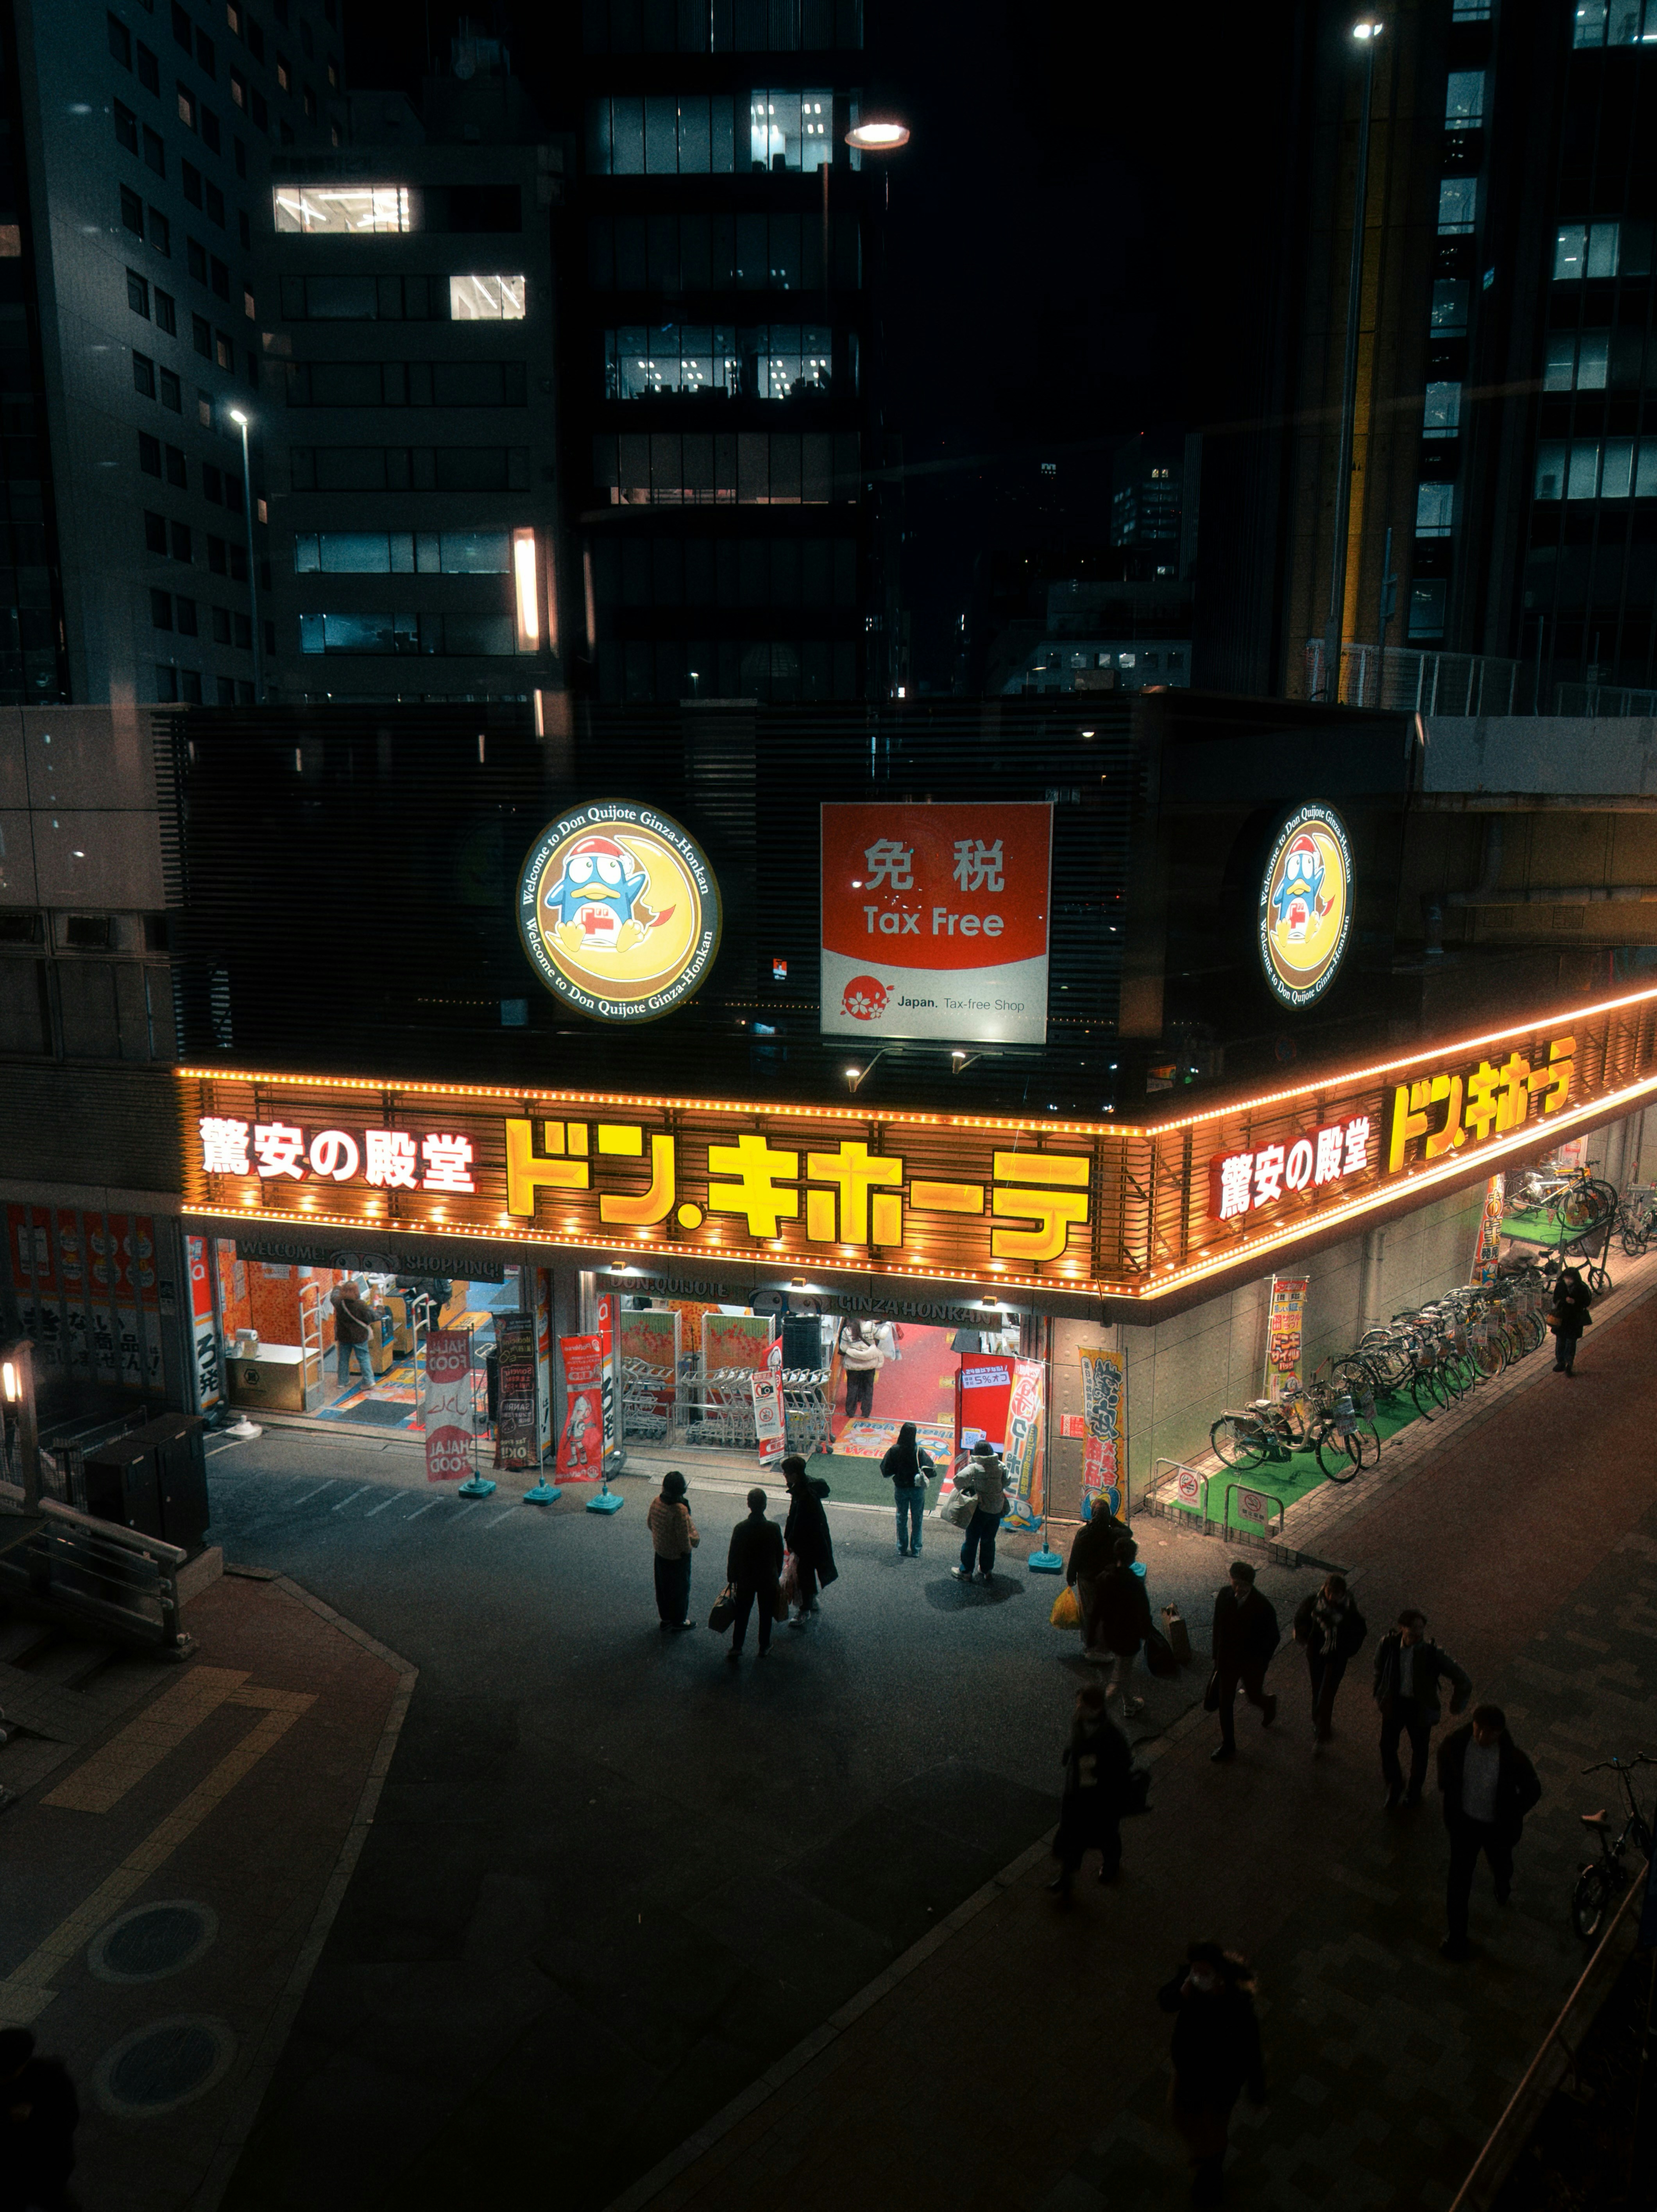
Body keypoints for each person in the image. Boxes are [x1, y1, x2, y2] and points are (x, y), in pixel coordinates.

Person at [1157, 1944, 1266, 2207]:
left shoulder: (1238, 2007)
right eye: (1194, 1971)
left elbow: (1252, 2050)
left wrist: (1256, 2087)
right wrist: (1181, 1994)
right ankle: (1203, 2153)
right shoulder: (1190, 1984)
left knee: (1214, 2127)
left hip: (1220, 2082)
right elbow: (1165, 2000)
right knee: (1179, 2115)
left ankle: (1210, 2174)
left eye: (1203, 1972)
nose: (1196, 1976)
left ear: (1218, 1976)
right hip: (1188, 2071)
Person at [1437, 1702, 1542, 1959]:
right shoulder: (1455, 1746)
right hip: (1465, 1826)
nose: (1482, 1738)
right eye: (1478, 1730)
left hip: (1495, 1827)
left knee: (1500, 1861)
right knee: (1458, 1883)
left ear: (1499, 1733)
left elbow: (1532, 1789)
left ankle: (1502, 1881)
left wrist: (1512, 1813)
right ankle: (1457, 1936)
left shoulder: (1511, 1758)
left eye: (1489, 1733)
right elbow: (1447, 1779)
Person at [1373, 1608, 1473, 1809]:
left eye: (1421, 1629)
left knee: (1420, 1750)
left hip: (1420, 1708)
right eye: (1413, 1628)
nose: (1418, 1633)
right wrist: (1380, 1693)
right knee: (1387, 1746)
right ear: (1402, 1627)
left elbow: (1462, 1678)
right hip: (1396, 1705)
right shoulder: (1388, 1645)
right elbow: (1379, 1669)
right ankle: (1396, 1784)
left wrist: (1456, 1704)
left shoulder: (1431, 1653)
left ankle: (1414, 1792)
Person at [1047, 1684, 1133, 1900]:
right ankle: (1066, 1878)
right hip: (1078, 1795)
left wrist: (1097, 1771)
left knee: (1106, 1836)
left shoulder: (1112, 1738)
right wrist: (1070, 1753)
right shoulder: (1082, 1722)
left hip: (1100, 1800)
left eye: (1082, 1707)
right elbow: (1075, 1742)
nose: (1077, 1711)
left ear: (1096, 1709)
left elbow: (1122, 1767)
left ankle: (1111, 1865)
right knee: (1072, 1837)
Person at [0, 2026, 79, 2212]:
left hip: (44, 2167)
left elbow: (65, 2121)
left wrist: (30, 2118)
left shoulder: (50, 2079)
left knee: (55, 2200)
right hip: (11, 2171)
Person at [1209, 1562, 1279, 1762]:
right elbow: (1218, 1627)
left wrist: (1259, 1663)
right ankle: (1228, 1745)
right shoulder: (1224, 1596)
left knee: (1254, 1695)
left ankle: (1268, 1703)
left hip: (1251, 1664)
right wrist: (1217, 1655)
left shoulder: (1263, 1607)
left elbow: (1273, 1639)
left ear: (1251, 1585)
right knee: (1225, 1703)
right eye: (1235, 1583)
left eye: (1243, 1586)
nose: (1238, 1589)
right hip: (1228, 1661)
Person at [1292, 1573, 1368, 1753]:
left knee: (1327, 1694)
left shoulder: (1350, 1611)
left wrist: (1347, 1651)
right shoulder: (1313, 1603)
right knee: (1317, 1689)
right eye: (1330, 1592)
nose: (1332, 1598)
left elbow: (1359, 1633)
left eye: (1337, 1594)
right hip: (1317, 1655)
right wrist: (1306, 1640)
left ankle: (1321, 1733)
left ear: (1344, 1594)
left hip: (1336, 1658)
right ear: (1325, 1589)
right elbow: (1300, 1621)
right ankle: (1318, 1722)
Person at [1066, 1496, 1133, 1658]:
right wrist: (1112, 1520)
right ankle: (1104, 1646)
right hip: (1105, 1579)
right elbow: (1129, 1533)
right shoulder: (1114, 1534)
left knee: (1089, 1613)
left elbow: (1075, 1556)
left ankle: (1090, 1646)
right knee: (1104, 1612)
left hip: (1086, 1579)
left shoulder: (1084, 1533)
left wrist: (1071, 1575)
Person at [725, 1486, 784, 1663]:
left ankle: (737, 1647)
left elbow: (733, 1555)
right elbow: (779, 1555)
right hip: (767, 1578)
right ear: (765, 1505)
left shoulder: (741, 1528)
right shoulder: (773, 1528)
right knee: (766, 1613)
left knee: (742, 1613)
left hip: (746, 1578)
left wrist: (732, 1578)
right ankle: (764, 1646)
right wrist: (777, 1574)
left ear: (748, 1505)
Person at [1096, 1538, 1153, 1716]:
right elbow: (1143, 1611)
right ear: (1133, 1557)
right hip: (1127, 1635)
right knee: (1119, 1679)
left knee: (1124, 1671)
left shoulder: (1104, 1577)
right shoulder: (1135, 1584)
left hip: (1109, 1631)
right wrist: (1146, 1632)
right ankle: (1097, 1717)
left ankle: (1129, 1703)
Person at [782, 1453, 837, 1627]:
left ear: (795, 1475)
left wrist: (791, 1541)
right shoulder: (806, 1488)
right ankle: (811, 1601)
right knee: (807, 1573)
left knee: (804, 1574)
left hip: (807, 1543)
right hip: (815, 1541)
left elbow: (798, 1521)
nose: (785, 1476)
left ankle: (805, 1610)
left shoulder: (804, 1495)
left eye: (787, 1473)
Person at [646, 1470, 698, 1632]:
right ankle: (679, 1621)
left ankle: (666, 1619)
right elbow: (684, 1539)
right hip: (677, 1558)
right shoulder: (680, 1509)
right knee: (680, 1590)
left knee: (663, 1588)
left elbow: (650, 1524)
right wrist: (689, 1549)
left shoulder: (656, 1502)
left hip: (660, 1553)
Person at [951, 1438, 1007, 1584]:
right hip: (996, 1511)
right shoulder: (1001, 1466)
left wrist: (972, 1486)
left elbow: (958, 1481)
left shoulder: (974, 1468)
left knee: (972, 1541)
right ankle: (986, 1570)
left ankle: (966, 1571)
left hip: (979, 1511)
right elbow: (1007, 1481)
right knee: (989, 1541)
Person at [879, 1420, 934, 1558]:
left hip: (901, 1488)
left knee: (901, 1517)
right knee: (917, 1518)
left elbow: (885, 1470)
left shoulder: (895, 1450)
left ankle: (902, 1548)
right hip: (916, 1489)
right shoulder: (918, 1451)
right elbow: (931, 1469)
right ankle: (916, 1549)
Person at [330, 1277, 378, 1395]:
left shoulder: (339, 1303)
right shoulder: (360, 1305)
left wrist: (338, 1286)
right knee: (363, 1357)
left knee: (343, 1359)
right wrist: (380, 1306)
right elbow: (373, 1317)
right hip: (359, 1337)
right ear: (357, 1292)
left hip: (344, 1336)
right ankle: (369, 1381)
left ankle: (342, 1381)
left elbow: (333, 1297)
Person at [1550, 1265, 1593, 1374]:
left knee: (1571, 1342)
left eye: (1570, 1278)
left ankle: (1569, 1363)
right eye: (1566, 1278)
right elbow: (1555, 1299)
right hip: (1562, 1318)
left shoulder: (1582, 1288)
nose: (1568, 1280)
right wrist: (1564, 1300)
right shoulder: (1560, 1286)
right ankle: (1561, 1362)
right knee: (1561, 1341)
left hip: (1575, 1319)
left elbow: (1587, 1302)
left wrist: (1575, 1302)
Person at [837, 1319, 884, 1419]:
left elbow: (843, 1348)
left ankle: (850, 1411)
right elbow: (881, 1336)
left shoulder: (847, 1330)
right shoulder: (871, 1327)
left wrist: (854, 1350)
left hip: (853, 1365)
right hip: (870, 1363)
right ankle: (866, 1412)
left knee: (852, 1387)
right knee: (869, 1387)